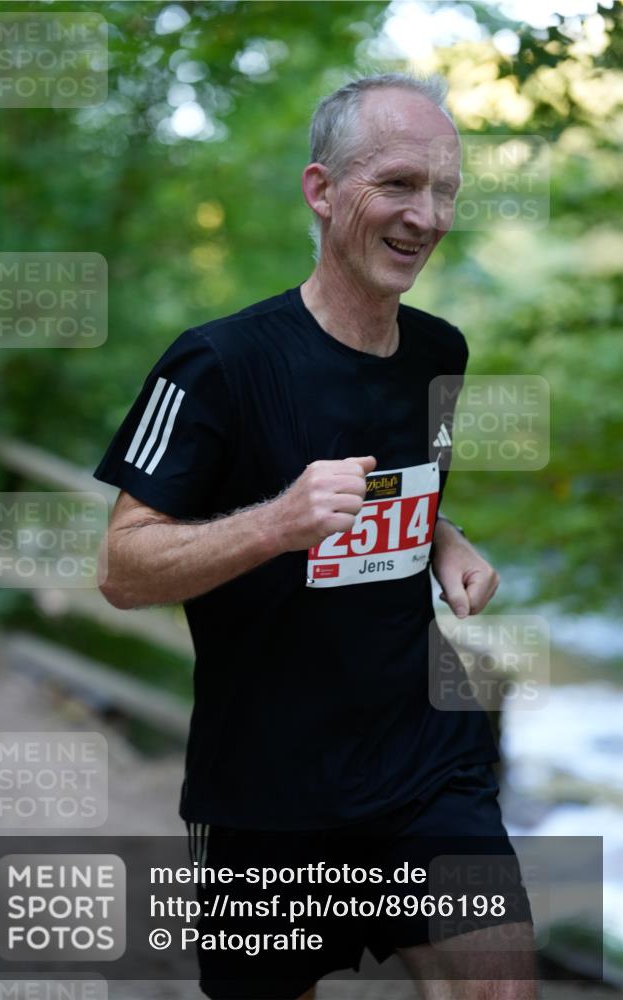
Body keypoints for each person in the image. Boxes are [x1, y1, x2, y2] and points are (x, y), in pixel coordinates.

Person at [95, 73, 536, 1000]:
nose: (428, 216)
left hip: (423, 763)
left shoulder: (438, 354)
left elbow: (400, 499)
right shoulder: (215, 363)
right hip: (268, 787)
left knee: (502, 987)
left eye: (444, 189)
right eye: (399, 184)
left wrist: (444, 537)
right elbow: (122, 567)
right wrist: (277, 521)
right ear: (321, 189)